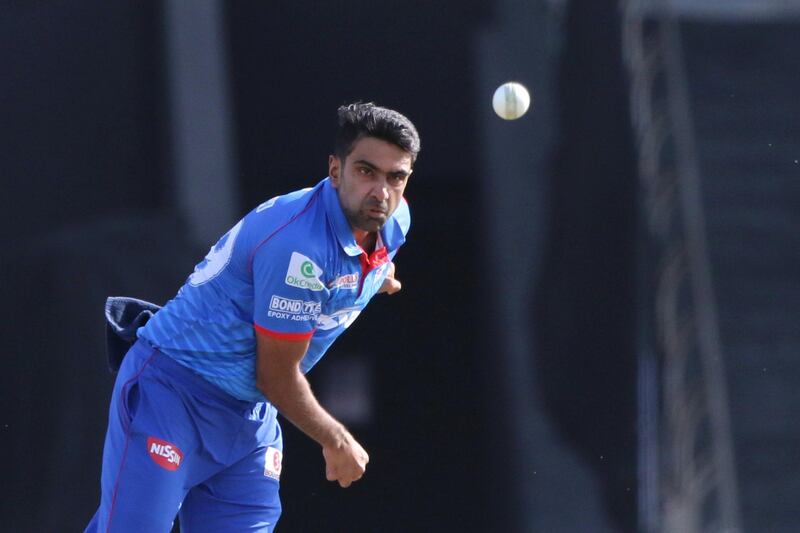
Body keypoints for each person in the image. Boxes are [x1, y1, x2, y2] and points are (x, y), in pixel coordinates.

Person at [86, 102, 421, 532]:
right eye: (365, 171)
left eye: (396, 177)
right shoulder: (298, 249)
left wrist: (379, 278)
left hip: (248, 419)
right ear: (335, 171)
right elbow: (276, 376)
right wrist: (335, 440)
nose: (381, 192)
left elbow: (370, 262)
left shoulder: (394, 221)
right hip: (171, 394)